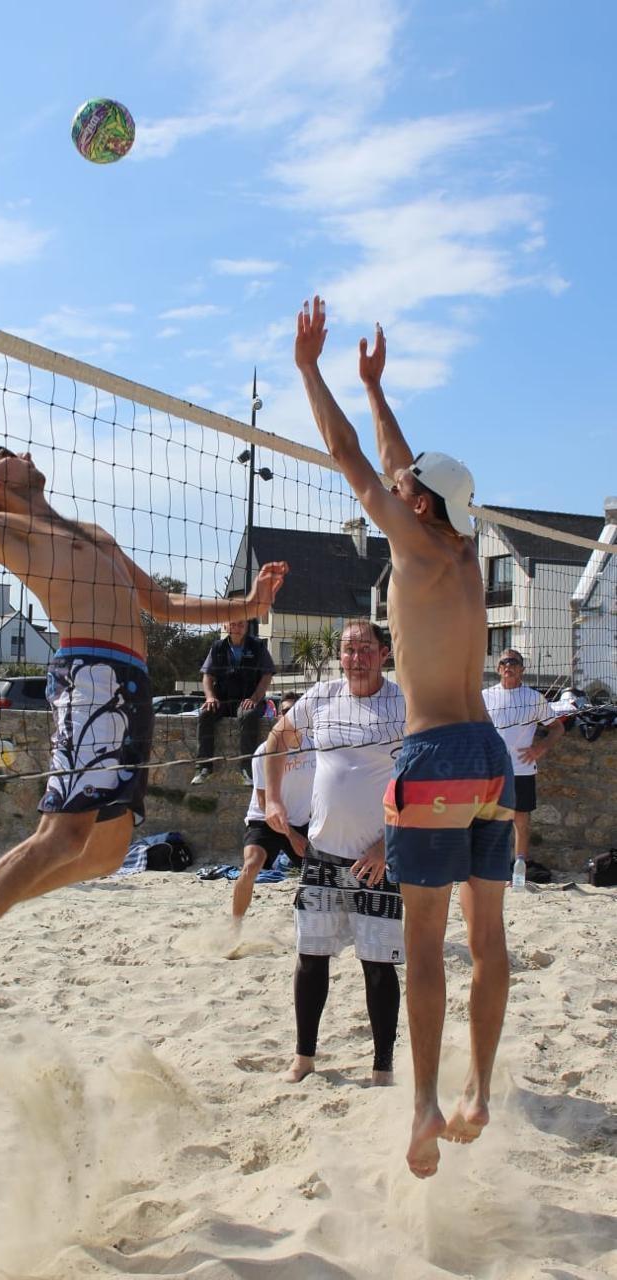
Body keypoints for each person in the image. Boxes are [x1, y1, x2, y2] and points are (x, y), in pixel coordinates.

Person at [0, 445, 288, 1055]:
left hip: (133, 684)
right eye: (8, 454)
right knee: (60, 839)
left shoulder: (90, 532)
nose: (26, 453)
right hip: (90, 677)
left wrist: (246, 607)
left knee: (106, 854)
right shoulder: (11, 529)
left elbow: (161, 604)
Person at [295, 298, 514, 1179]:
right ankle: (478, 1094)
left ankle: (423, 1104)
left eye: (410, 483)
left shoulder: (413, 549)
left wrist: (311, 371)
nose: (400, 482)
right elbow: (393, 459)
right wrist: (376, 388)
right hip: (489, 762)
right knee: (487, 940)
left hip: (428, 762)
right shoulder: (458, 551)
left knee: (423, 944)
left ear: (421, 501)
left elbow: (354, 461)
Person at [265, 619, 407, 1087]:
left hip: (377, 860)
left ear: (384, 653)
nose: (356, 657)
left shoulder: (403, 702)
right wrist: (273, 798)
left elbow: (423, 781)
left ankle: (382, 1068)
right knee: (311, 958)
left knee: (378, 966)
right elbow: (275, 742)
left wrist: (389, 843)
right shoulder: (322, 696)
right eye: (348, 650)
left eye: (365, 648)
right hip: (323, 855)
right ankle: (304, 1058)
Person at [232, 691, 314, 921]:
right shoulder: (264, 751)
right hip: (265, 820)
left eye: (296, 711)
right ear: (278, 716)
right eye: (286, 712)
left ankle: (313, 925)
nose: (291, 716)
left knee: (323, 875)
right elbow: (264, 802)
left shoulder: (316, 747)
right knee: (250, 867)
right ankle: (234, 928)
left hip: (301, 822)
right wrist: (292, 836)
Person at [482, 649, 564, 870]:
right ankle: (491, 867)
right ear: (498, 668)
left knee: (520, 820)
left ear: (522, 669)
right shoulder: (485, 696)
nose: (508, 665)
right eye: (504, 662)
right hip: (491, 770)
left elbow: (557, 728)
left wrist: (540, 747)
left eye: (513, 662)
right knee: (490, 820)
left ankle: (519, 867)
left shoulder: (533, 698)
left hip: (522, 768)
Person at [192, 618, 276, 786]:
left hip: (249, 699)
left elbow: (267, 674)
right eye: (233, 623)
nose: (237, 627)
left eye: (241, 624)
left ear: (247, 626)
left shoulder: (258, 646)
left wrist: (254, 698)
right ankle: (204, 767)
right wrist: (210, 697)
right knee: (205, 713)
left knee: (248, 715)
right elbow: (207, 676)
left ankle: (246, 768)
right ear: (225, 625)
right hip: (224, 700)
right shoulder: (217, 647)